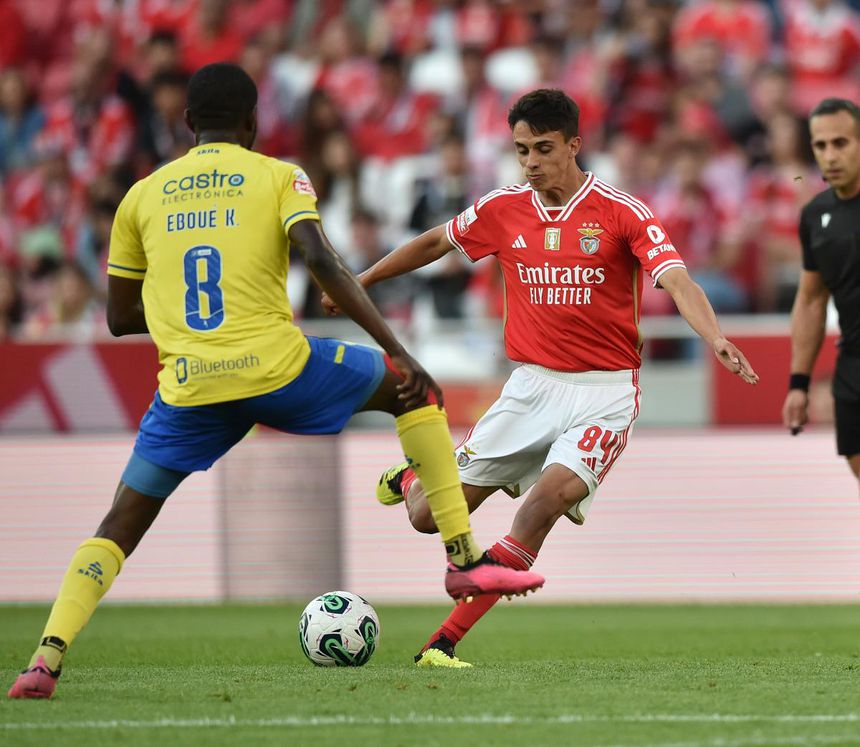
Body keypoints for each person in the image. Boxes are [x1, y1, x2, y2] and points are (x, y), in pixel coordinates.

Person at [7, 63, 544, 700]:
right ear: (254, 122)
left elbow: (120, 318)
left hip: (189, 388)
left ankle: (44, 659)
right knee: (415, 389)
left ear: (187, 123)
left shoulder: (141, 196)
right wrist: (398, 349)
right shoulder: (279, 176)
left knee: (119, 523)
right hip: (276, 369)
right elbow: (320, 258)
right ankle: (463, 560)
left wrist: (187, 319)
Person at [324, 89, 758, 667]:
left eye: (544, 149)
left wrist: (714, 336)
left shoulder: (622, 211)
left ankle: (441, 644)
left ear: (574, 145)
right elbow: (434, 243)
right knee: (427, 516)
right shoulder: (502, 208)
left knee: (543, 505)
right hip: (529, 389)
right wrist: (360, 282)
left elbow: (677, 279)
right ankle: (410, 478)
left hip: (605, 393)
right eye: (521, 150)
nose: (530, 162)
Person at [782, 97, 860, 485]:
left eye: (841, 143)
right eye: (821, 145)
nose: (830, 156)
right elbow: (812, 299)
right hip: (853, 365)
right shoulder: (815, 215)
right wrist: (799, 383)